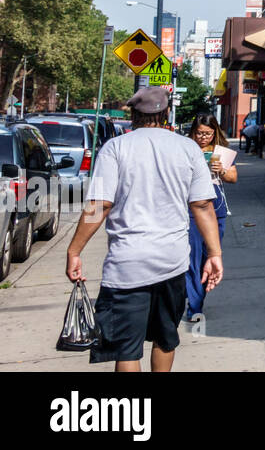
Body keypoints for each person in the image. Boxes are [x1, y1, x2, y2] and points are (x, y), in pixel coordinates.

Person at [65, 86, 223, 372]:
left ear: (134, 113)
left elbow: (99, 206)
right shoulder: (187, 148)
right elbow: (202, 206)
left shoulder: (116, 148)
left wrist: (74, 250)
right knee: (165, 339)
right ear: (165, 114)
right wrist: (215, 254)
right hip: (172, 262)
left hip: (127, 267)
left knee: (126, 348)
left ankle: (136, 412)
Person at [184, 114, 236, 321]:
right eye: (199, 133)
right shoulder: (186, 149)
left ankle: (198, 298)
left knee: (209, 256)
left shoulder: (221, 152)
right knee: (192, 259)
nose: (203, 137)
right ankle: (194, 306)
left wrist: (221, 170)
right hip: (192, 208)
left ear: (215, 132)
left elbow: (233, 177)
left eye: (207, 133)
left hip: (216, 209)